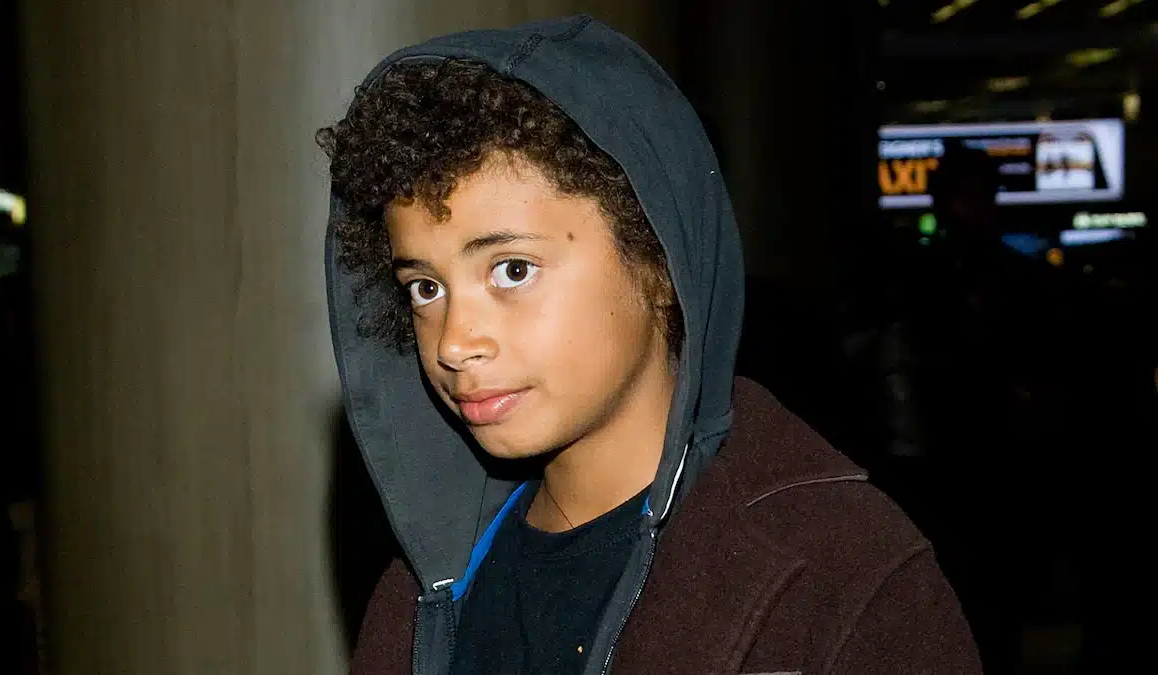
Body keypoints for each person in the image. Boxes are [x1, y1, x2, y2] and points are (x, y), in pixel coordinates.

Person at [319, 15, 980, 675]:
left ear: (658, 259)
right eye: (426, 287)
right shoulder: (422, 596)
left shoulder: (845, 580)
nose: (455, 341)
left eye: (512, 270)